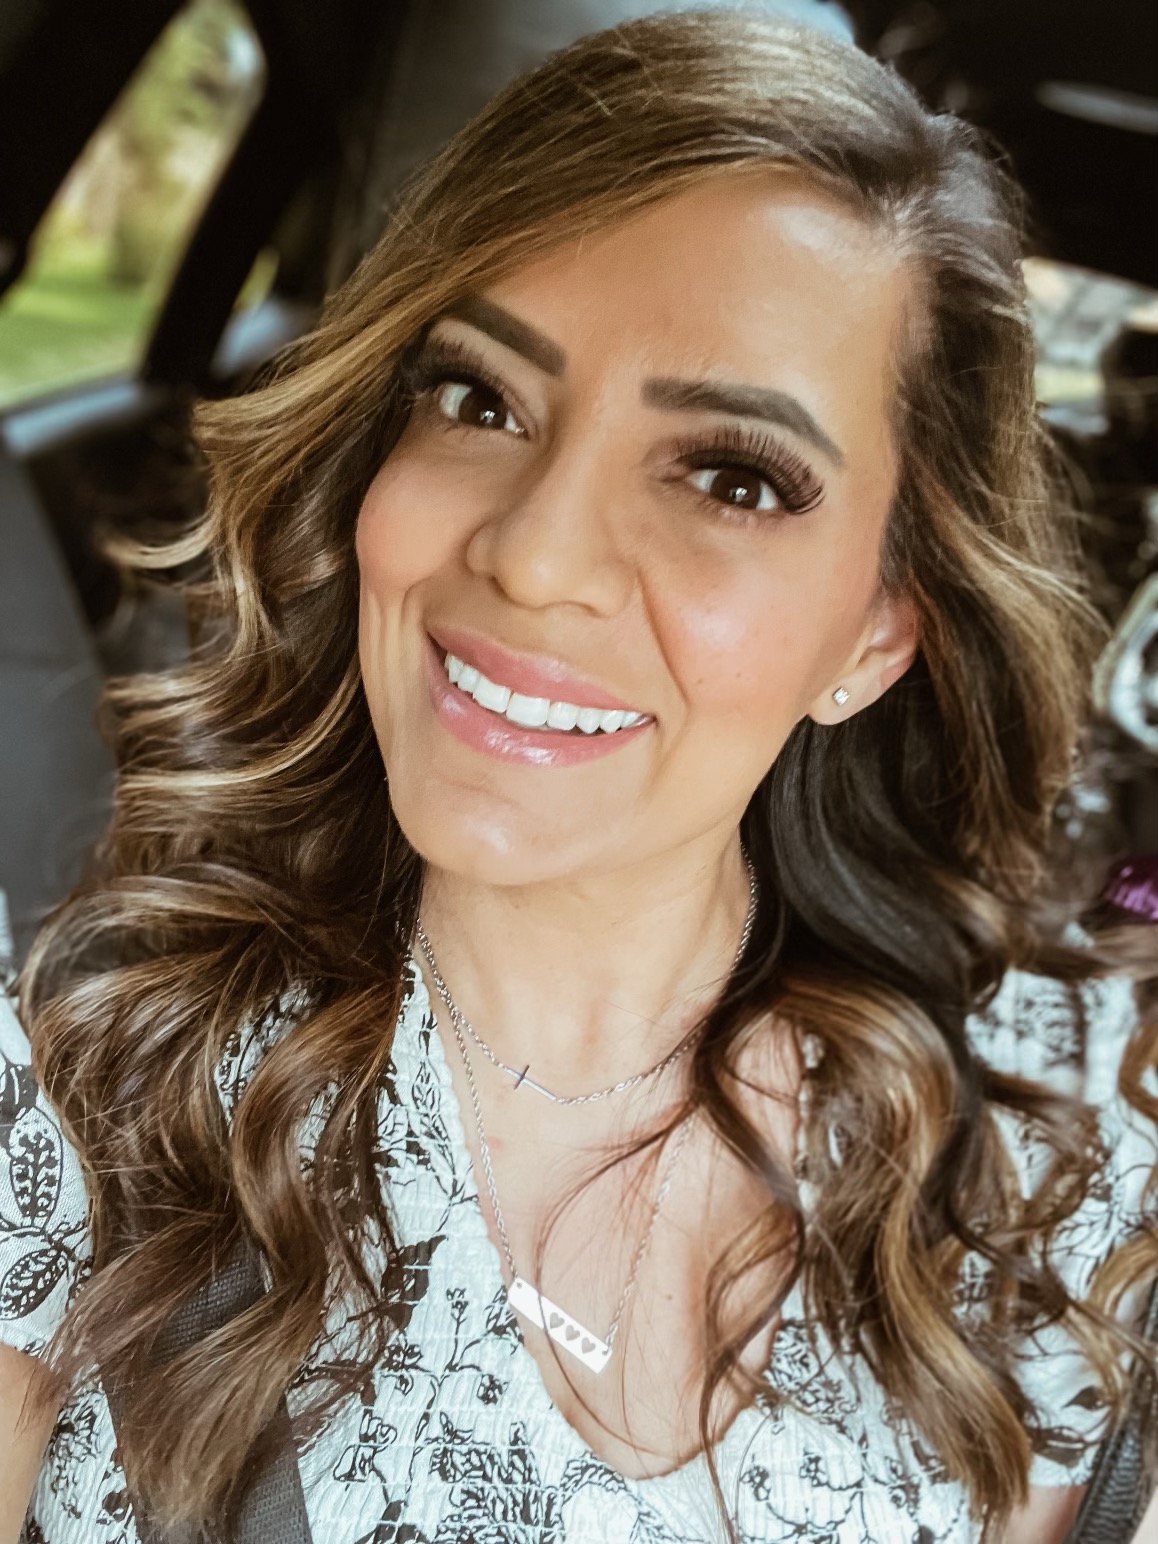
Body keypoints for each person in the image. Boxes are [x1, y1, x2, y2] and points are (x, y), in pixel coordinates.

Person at [2, 11, 1156, 1544]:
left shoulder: (1040, 1183)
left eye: (729, 476)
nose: (532, 556)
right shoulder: (79, 1116)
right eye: (477, 399)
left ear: (877, 633)